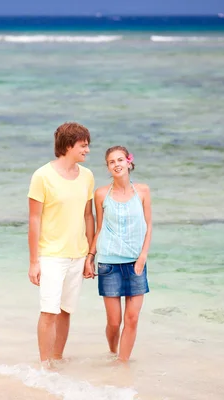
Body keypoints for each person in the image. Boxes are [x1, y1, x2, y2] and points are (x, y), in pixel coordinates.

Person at [27, 122, 95, 366]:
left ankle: (57, 360)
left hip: (78, 255)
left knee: (66, 310)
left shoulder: (87, 176)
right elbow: (34, 220)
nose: (87, 150)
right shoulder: (42, 176)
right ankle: (45, 367)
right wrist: (34, 261)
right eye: (83, 146)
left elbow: (89, 216)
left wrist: (90, 255)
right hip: (51, 255)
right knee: (49, 311)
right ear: (68, 146)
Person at [84, 145, 152, 363]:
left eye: (120, 160)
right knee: (114, 322)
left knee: (131, 319)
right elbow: (100, 228)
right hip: (109, 264)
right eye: (112, 162)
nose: (117, 164)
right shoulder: (102, 194)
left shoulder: (142, 191)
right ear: (108, 167)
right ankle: (113, 352)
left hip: (136, 264)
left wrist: (143, 256)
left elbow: (149, 225)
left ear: (129, 162)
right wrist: (90, 257)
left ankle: (122, 366)